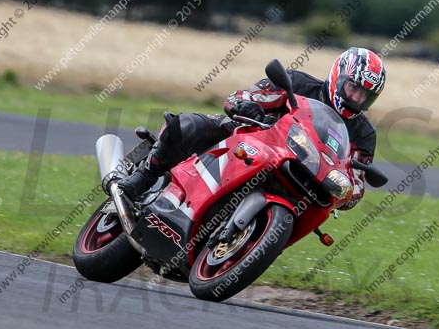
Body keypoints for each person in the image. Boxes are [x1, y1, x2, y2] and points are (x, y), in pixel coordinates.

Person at [117, 47, 386, 210]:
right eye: (353, 87)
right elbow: (241, 97)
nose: (356, 98)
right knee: (185, 125)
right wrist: (248, 107)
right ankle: (145, 175)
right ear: (339, 76)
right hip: (253, 138)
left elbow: (356, 186)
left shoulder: (364, 135)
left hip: (300, 179)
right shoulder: (299, 84)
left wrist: (347, 191)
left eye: (365, 96)